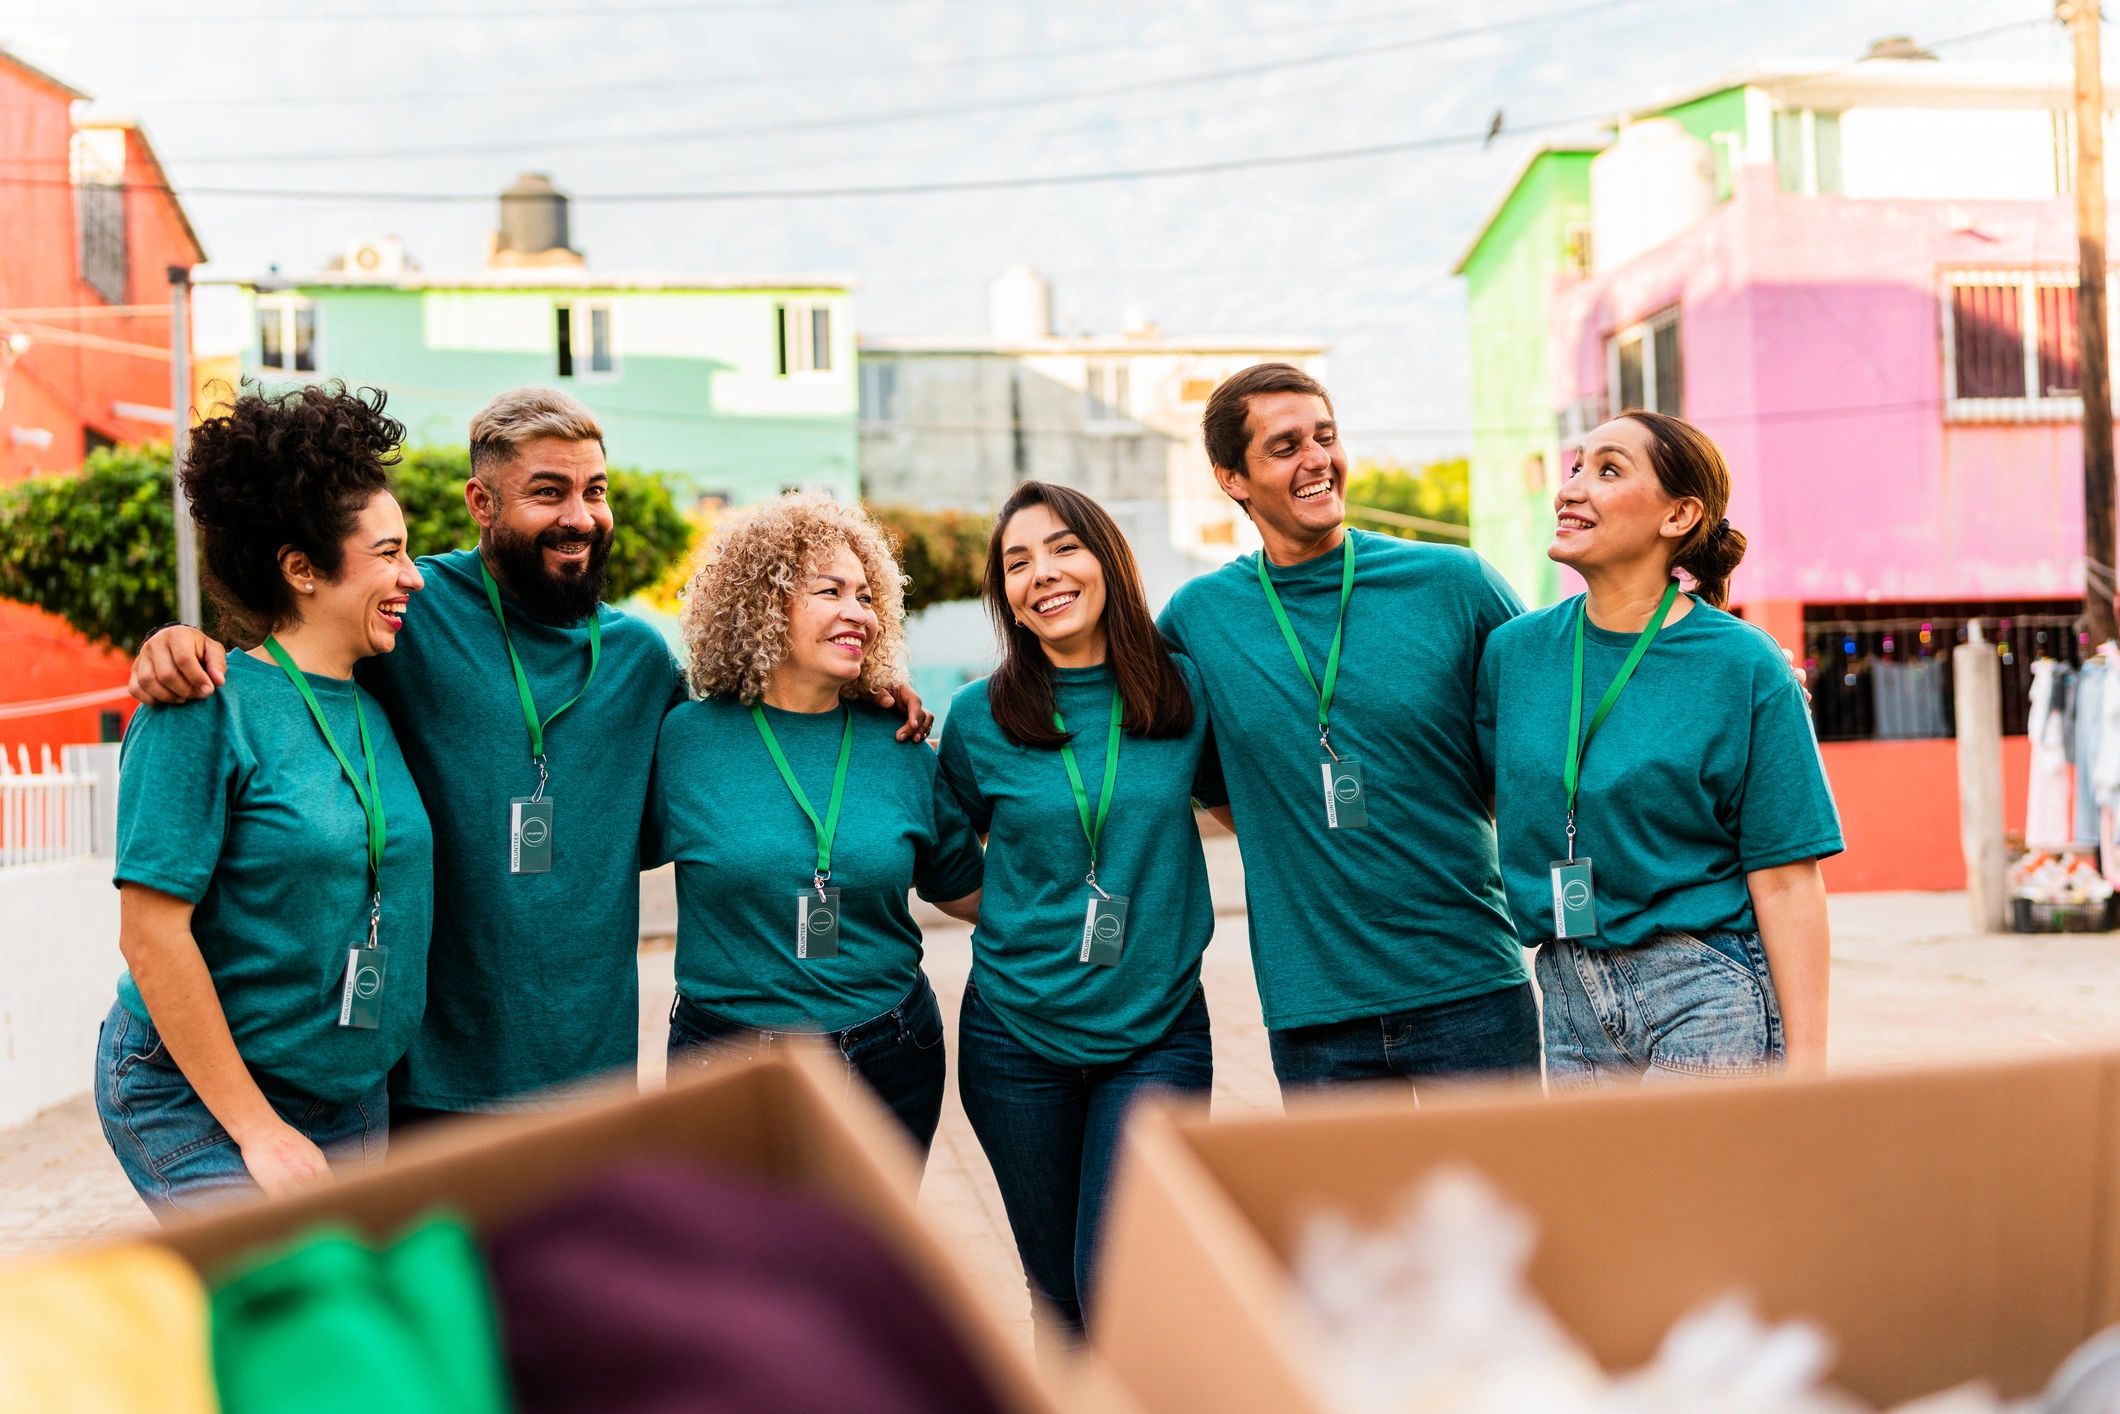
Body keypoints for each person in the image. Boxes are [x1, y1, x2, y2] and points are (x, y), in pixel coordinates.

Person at [127, 388, 938, 1122]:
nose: (580, 517)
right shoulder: (411, 611)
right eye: (548, 493)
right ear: (482, 502)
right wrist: (178, 643)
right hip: (425, 1077)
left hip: (594, 1082)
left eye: (595, 491)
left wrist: (867, 696)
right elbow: (295, 658)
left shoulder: (640, 661)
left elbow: (747, 753)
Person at [96, 384, 433, 1212]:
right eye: (387, 553)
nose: (413, 577)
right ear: (302, 569)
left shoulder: (382, 697)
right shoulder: (202, 705)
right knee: (291, 1305)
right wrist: (258, 1129)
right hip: (195, 1092)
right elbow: (151, 936)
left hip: (349, 1093)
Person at [1158, 363, 1537, 1094]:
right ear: (1232, 479)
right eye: (1285, 446)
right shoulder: (1197, 620)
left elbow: (1555, 713)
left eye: (1325, 437)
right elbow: (1154, 745)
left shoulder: (1456, 584)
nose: (1317, 460)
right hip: (1316, 1011)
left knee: (1508, 1209)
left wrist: (1691, 628)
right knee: (1351, 1216)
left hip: (1470, 986)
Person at [1476, 411, 1842, 1084]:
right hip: (1566, 987)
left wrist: (1807, 1068)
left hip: (1705, 987)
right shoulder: (1514, 654)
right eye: (1577, 467)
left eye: (1608, 470)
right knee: (1597, 1195)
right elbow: (1500, 798)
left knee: (1696, 1193)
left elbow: (1788, 880)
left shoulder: (1743, 665)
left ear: (1679, 515)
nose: (1572, 488)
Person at [938, 482, 1216, 1342]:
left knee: (1120, 1288)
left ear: (1108, 560)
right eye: (1016, 563)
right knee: (1057, 1301)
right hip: (1014, 1040)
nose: (1043, 575)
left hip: (1160, 1030)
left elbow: (1254, 806)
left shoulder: (1186, 695)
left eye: (1063, 548)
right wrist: (1033, 922)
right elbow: (945, 863)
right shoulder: (976, 717)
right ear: (1004, 596)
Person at [646, 494, 982, 1154]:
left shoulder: (901, 739)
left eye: (866, 596)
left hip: (890, 1050)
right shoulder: (685, 739)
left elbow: (966, 889)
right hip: (727, 1059)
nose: (858, 613)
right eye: (831, 591)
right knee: (732, 1257)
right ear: (763, 603)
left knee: (864, 1256)